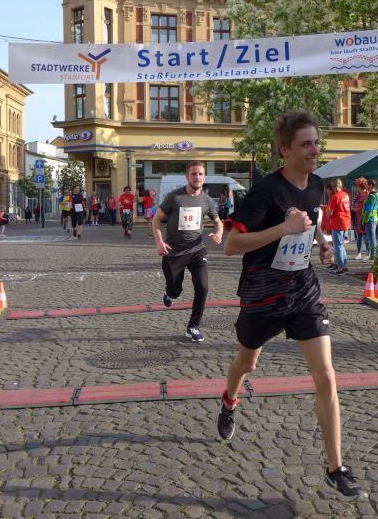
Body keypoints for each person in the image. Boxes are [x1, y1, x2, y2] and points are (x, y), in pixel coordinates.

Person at [217, 110, 364, 498]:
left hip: (303, 290)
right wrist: (282, 227)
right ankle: (229, 401)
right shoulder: (265, 192)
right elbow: (232, 245)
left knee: (326, 376)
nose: (315, 150)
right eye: (306, 144)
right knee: (247, 364)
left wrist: (323, 243)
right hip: (262, 293)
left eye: (316, 143)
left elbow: (312, 222)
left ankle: (336, 467)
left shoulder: (317, 185)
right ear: (285, 150)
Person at [153, 162, 223, 342]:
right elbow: (156, 220)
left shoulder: (207, 200)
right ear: (187, 176)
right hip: (174, 252)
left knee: (203, 286)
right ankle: (170, 294)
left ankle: (193, 327)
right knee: (175, 290)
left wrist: (219, 233)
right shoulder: (174, 197)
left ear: (204, 177)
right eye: (193, 174)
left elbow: (218, 222)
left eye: (200, 174)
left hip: (197, 251)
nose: (197, 177)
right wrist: (160, 242)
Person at [326, 178, 352, 275]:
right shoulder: (345, 195)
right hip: (346, 222)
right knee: (341, 245)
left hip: (338, 222)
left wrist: (327, 212)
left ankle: (341, 268)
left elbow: (330, 212)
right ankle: (344, 266)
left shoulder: (336, 196)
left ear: (334, 187)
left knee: (338, 246)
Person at [361, 179, 378, 260]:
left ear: (371, 185)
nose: (365, 186)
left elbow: (368, 210)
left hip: (370, 219)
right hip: (374, 218)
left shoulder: (371, 196)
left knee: (371, 238)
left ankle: (373, 255)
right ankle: (373, 254)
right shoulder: (376, 194)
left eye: (367, 184)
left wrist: (364, 220)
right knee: (371, 238)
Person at [353, 178, 370, 260]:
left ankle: (368, 253)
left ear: (360, 186)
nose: (357, 187)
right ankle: (359, 253)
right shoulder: (358, 195)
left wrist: (356, 209)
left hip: (365, 218)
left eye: (357, 186)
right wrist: (354, 207)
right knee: (359, 236)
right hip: (358, 218)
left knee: (366, 236)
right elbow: (354, 203)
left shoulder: (367, 195)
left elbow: (366, 208)